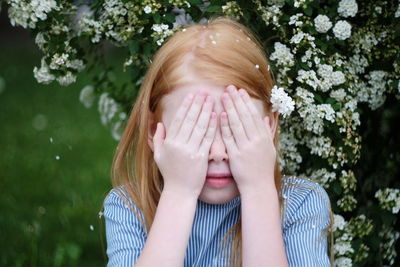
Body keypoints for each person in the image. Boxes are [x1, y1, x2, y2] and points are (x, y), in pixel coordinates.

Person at [101, 16, 334, 267]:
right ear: (154, 132)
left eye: (235, 129)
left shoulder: (300, 204)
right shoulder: (131, 207)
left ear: (269, 127)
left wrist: (258, 190)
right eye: (197, 132)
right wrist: (179, 193)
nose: (218, 152)